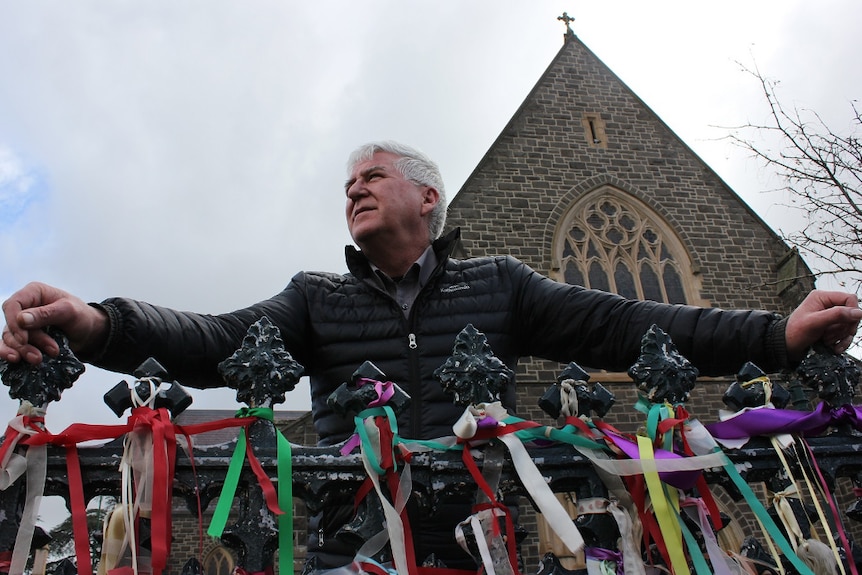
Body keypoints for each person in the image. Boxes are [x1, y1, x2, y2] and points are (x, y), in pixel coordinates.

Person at [2, 141, 861, 570]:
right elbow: (216, 342)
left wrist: (774, 335)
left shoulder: (501, 284)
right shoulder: (316, 297)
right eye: (347, 187)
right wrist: (92, 320)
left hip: (484, 542)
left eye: (372, 177)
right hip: (352, 540)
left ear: (427, 195)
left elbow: (627, 325)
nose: (354, 190)